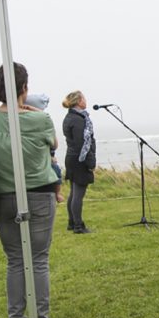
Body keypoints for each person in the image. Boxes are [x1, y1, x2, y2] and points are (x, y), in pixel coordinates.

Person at [0, 63, 61, 318]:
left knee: (15, 261)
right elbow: (54, 145)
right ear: (24, 87)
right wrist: (32, 109)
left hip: (3, 196)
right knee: (38, 260)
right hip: (39, 194)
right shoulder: (41, 119)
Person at [62, 91, 96, 234]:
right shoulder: (78, 119)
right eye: (84, 98)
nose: (86, 100)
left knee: (73, 192)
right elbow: (83, 143)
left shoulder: (70, 117)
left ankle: (71, 222)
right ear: (79, 101)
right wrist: (90, 162)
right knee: (78, 194)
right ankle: (78, 225)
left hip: (71, 157)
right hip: (79, 159)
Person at [25, 93, 64, 203]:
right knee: (56, 171)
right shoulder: (42, 121)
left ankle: (57, 193)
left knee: (56, 169)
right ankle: (57, 193)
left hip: (46, 155)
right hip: (45, 157)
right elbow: (54, 144)